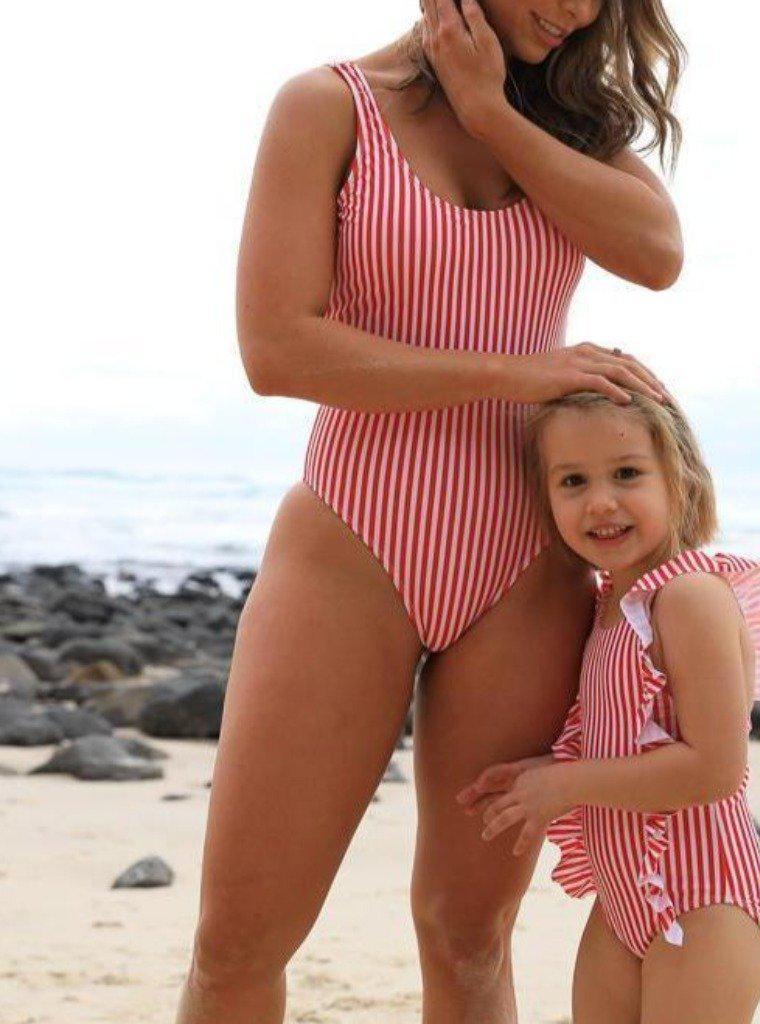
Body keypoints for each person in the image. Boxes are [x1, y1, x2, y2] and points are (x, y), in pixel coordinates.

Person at [174, 1, 686, 1022]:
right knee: (239, 943)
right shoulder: (329, 107)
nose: (578, 9)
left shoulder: (564, 123)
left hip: (526, 571)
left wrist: (492, 112)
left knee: (469, 935)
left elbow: (656, 253)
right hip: (353, 542)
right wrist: (516, 373)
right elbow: (277, 349)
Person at [457, 390, 760, 1023]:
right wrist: (544, 771)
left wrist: (567, 785)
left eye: (627, 473)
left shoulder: (689, 596)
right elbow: (625, 738)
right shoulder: (609, 603)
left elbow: (715, 769)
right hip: (621, 903)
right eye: (573, 481)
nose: (601, 501)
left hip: (707, 899)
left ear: (681, 479)